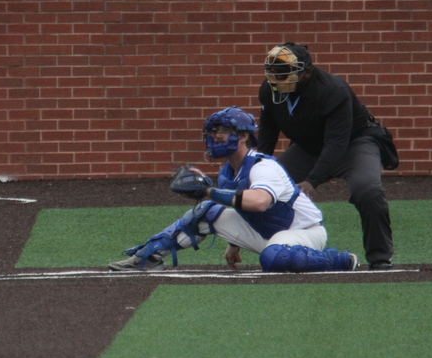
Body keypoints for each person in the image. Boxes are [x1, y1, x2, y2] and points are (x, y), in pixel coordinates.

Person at [109, 106, 359, 273]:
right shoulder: (227, 171)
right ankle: (148, 258)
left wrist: (208, 191)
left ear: (242, 136)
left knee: (272, 259)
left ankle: (337, 260)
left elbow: (259, 202)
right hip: (268, 232)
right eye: (213, 131)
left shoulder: (262, 166)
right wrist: (234, 242)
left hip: (303, 233)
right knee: (204, 211)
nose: (216, 136)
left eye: (223, 131)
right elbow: (237, 204)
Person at [257, 42, 395, 270]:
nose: (277, 77)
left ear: (307, 72)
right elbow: (267, 138)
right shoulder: (269, 91)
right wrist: (258, 171)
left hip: (354, 143)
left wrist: (312, 180)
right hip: (308, 147)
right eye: (274, 71)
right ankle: (285, 247)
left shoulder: (333, 90)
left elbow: (336, 143)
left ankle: (380, 257)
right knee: (265, 187)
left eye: (285, 72)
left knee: (367, 189)